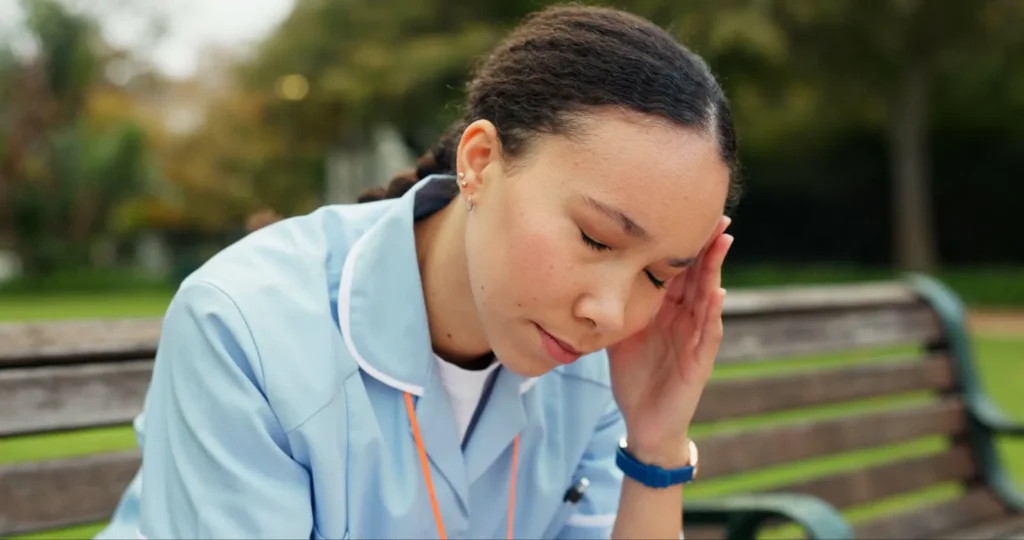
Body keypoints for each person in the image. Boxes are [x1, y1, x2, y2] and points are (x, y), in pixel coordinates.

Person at [95, 4, 740, 539]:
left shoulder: (599, 364)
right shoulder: (242, 327)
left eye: (658, 276)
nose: (612, 311)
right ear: (481, 161)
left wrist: (655, 442)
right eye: (596, 239)